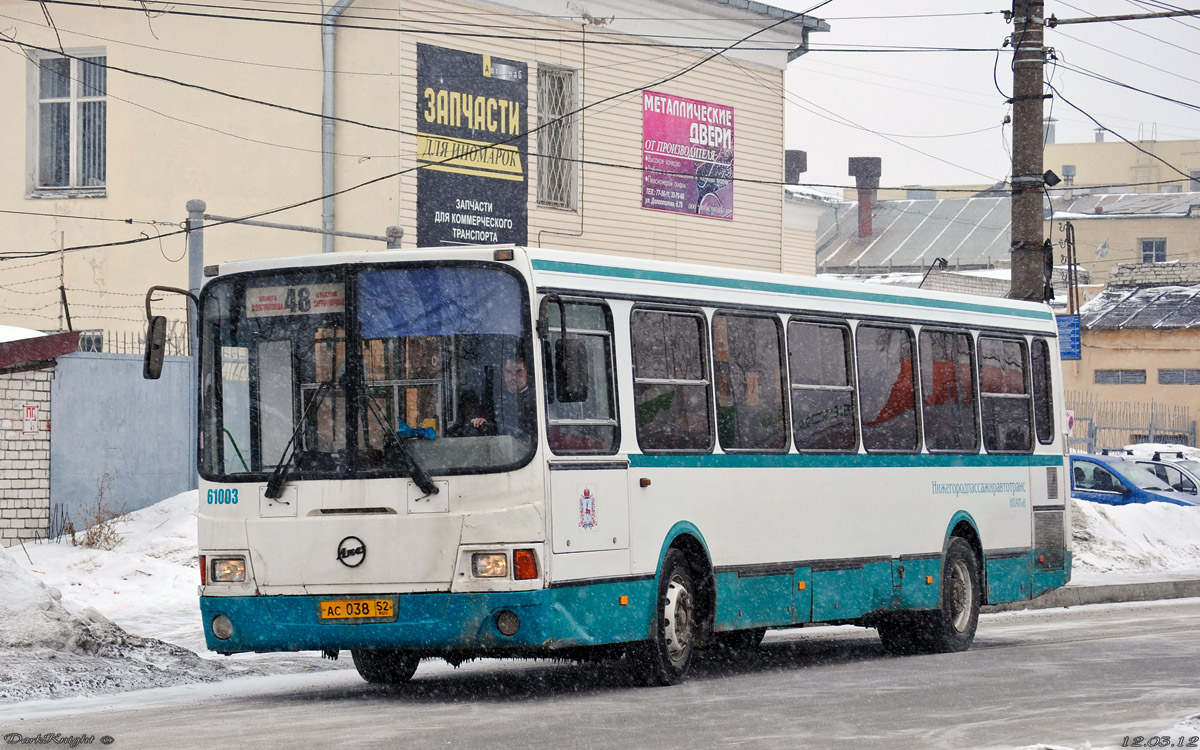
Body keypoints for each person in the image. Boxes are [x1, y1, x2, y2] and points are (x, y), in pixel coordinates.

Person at [470, 357, 533, 440]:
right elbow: (475, 418)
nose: (513, 376)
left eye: (519, 371)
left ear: (527, 373)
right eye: (508, 372)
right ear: (503, 373)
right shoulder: (494, 397)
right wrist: (480, 421)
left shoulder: (539, 398)